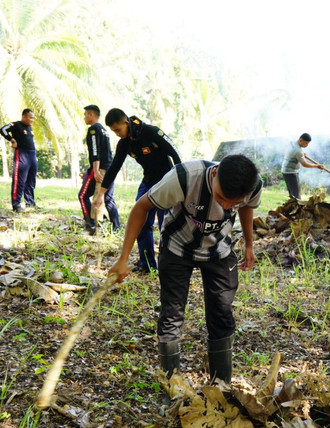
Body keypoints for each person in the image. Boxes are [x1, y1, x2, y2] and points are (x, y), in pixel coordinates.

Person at [108, 154, 263, 383]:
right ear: (214, 173)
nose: (226, 207)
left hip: (219, 250)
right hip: (178, 246)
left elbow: (247, 209)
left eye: (234, 202)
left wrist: (249, 245)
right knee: (172, 314)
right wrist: (123, 258)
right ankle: (172, 384)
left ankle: (221, 384)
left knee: (222, 315)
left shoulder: (254, 185)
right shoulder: (184, 177)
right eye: (221, 198)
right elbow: (142, 207)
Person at [95, 108, 181, 273]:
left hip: (167, 181)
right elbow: (114, 168)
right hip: (148, 182)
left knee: (167, 225)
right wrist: (101, 193)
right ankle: (147, 265)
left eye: (118, 130)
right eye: (114, 131)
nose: (117, 134)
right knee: (140, 221)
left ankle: (169, 264)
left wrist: (180, 180)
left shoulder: (152, 132)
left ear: (126, 122)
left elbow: (175, 153)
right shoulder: (125, 143)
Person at [78, 105, 120, 234]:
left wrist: (95, 171)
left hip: (100, 169)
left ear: (91, 115)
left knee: (83, 195)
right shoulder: (103, 130)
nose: (84, 117)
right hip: (108, 168)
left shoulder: (93, 130)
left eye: (85, 114)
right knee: (108, 198)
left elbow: (95, 151)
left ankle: (90, 223)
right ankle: (116, 226)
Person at [1, 109, 37, 213]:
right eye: (30, 117)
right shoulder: (16, 125)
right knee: (19, 180)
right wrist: (12, 140)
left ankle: (30, 202)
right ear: (24, 116)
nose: (32, 120)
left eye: (33, 118)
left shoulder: (29, 127)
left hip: (32, 155)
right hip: (21, 154)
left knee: (31, 179)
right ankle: (16, 204)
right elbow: (2, 129)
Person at [281, 133, 325, 199]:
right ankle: (297, 206)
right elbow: (304, 164)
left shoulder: (293, 143)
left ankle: (294, 204)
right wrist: (316, 166)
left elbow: (293, 152)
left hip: (286, 170)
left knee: (293, 192)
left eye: (308, 143)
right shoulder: (298, 151)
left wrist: (302, 155)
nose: (307, 145)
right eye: (306, 143)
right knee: (295, 195)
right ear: (301, 140)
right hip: (290, 172)